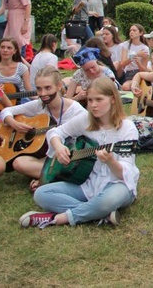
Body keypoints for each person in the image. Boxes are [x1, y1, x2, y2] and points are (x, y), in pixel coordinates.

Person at [20, 77, 139, 228]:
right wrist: (58, 147)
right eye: (90, 100)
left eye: (99, 100)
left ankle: (56, 219)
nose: (93, 105)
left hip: (117, 184)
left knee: (107, 201)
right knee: (41, 194)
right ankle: (97, 213)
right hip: (87, 183)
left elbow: (125, 174)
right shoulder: (85, 120)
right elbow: (55, 132)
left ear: (113, 99)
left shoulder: (127, 128)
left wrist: (111, 161)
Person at [0, 66, 86, 190]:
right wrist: (14, 123)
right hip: (45, 157)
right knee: (18, 163)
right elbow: (6, 111)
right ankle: (53, 176)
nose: (43, 94)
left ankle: (49, 177)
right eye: (39, 89)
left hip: (67, 157)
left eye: (48, 88)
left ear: (59, 85)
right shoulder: (38, 105)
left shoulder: (76, 111)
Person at [119, 23, 149, 91]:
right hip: (129, 72)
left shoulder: (145, 48)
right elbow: (122, 63)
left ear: (140, 33)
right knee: (125, 87)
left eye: (134, 30)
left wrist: (138, 63)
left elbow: (144, 70)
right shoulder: (125, 45)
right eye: (130, 30)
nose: (131, 32)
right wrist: (136, 55)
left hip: (139, 72)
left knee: (133, 85)